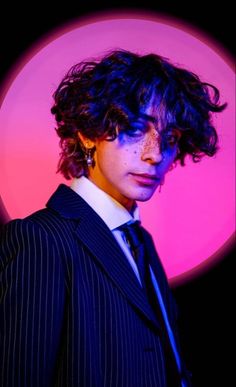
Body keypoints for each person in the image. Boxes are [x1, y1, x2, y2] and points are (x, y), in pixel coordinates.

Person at [0, 49, 226, 387]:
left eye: (170, 138)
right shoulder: (41, 240)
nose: (155, 154)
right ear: (88, 132)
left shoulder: (139, 239)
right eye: (136, 129)